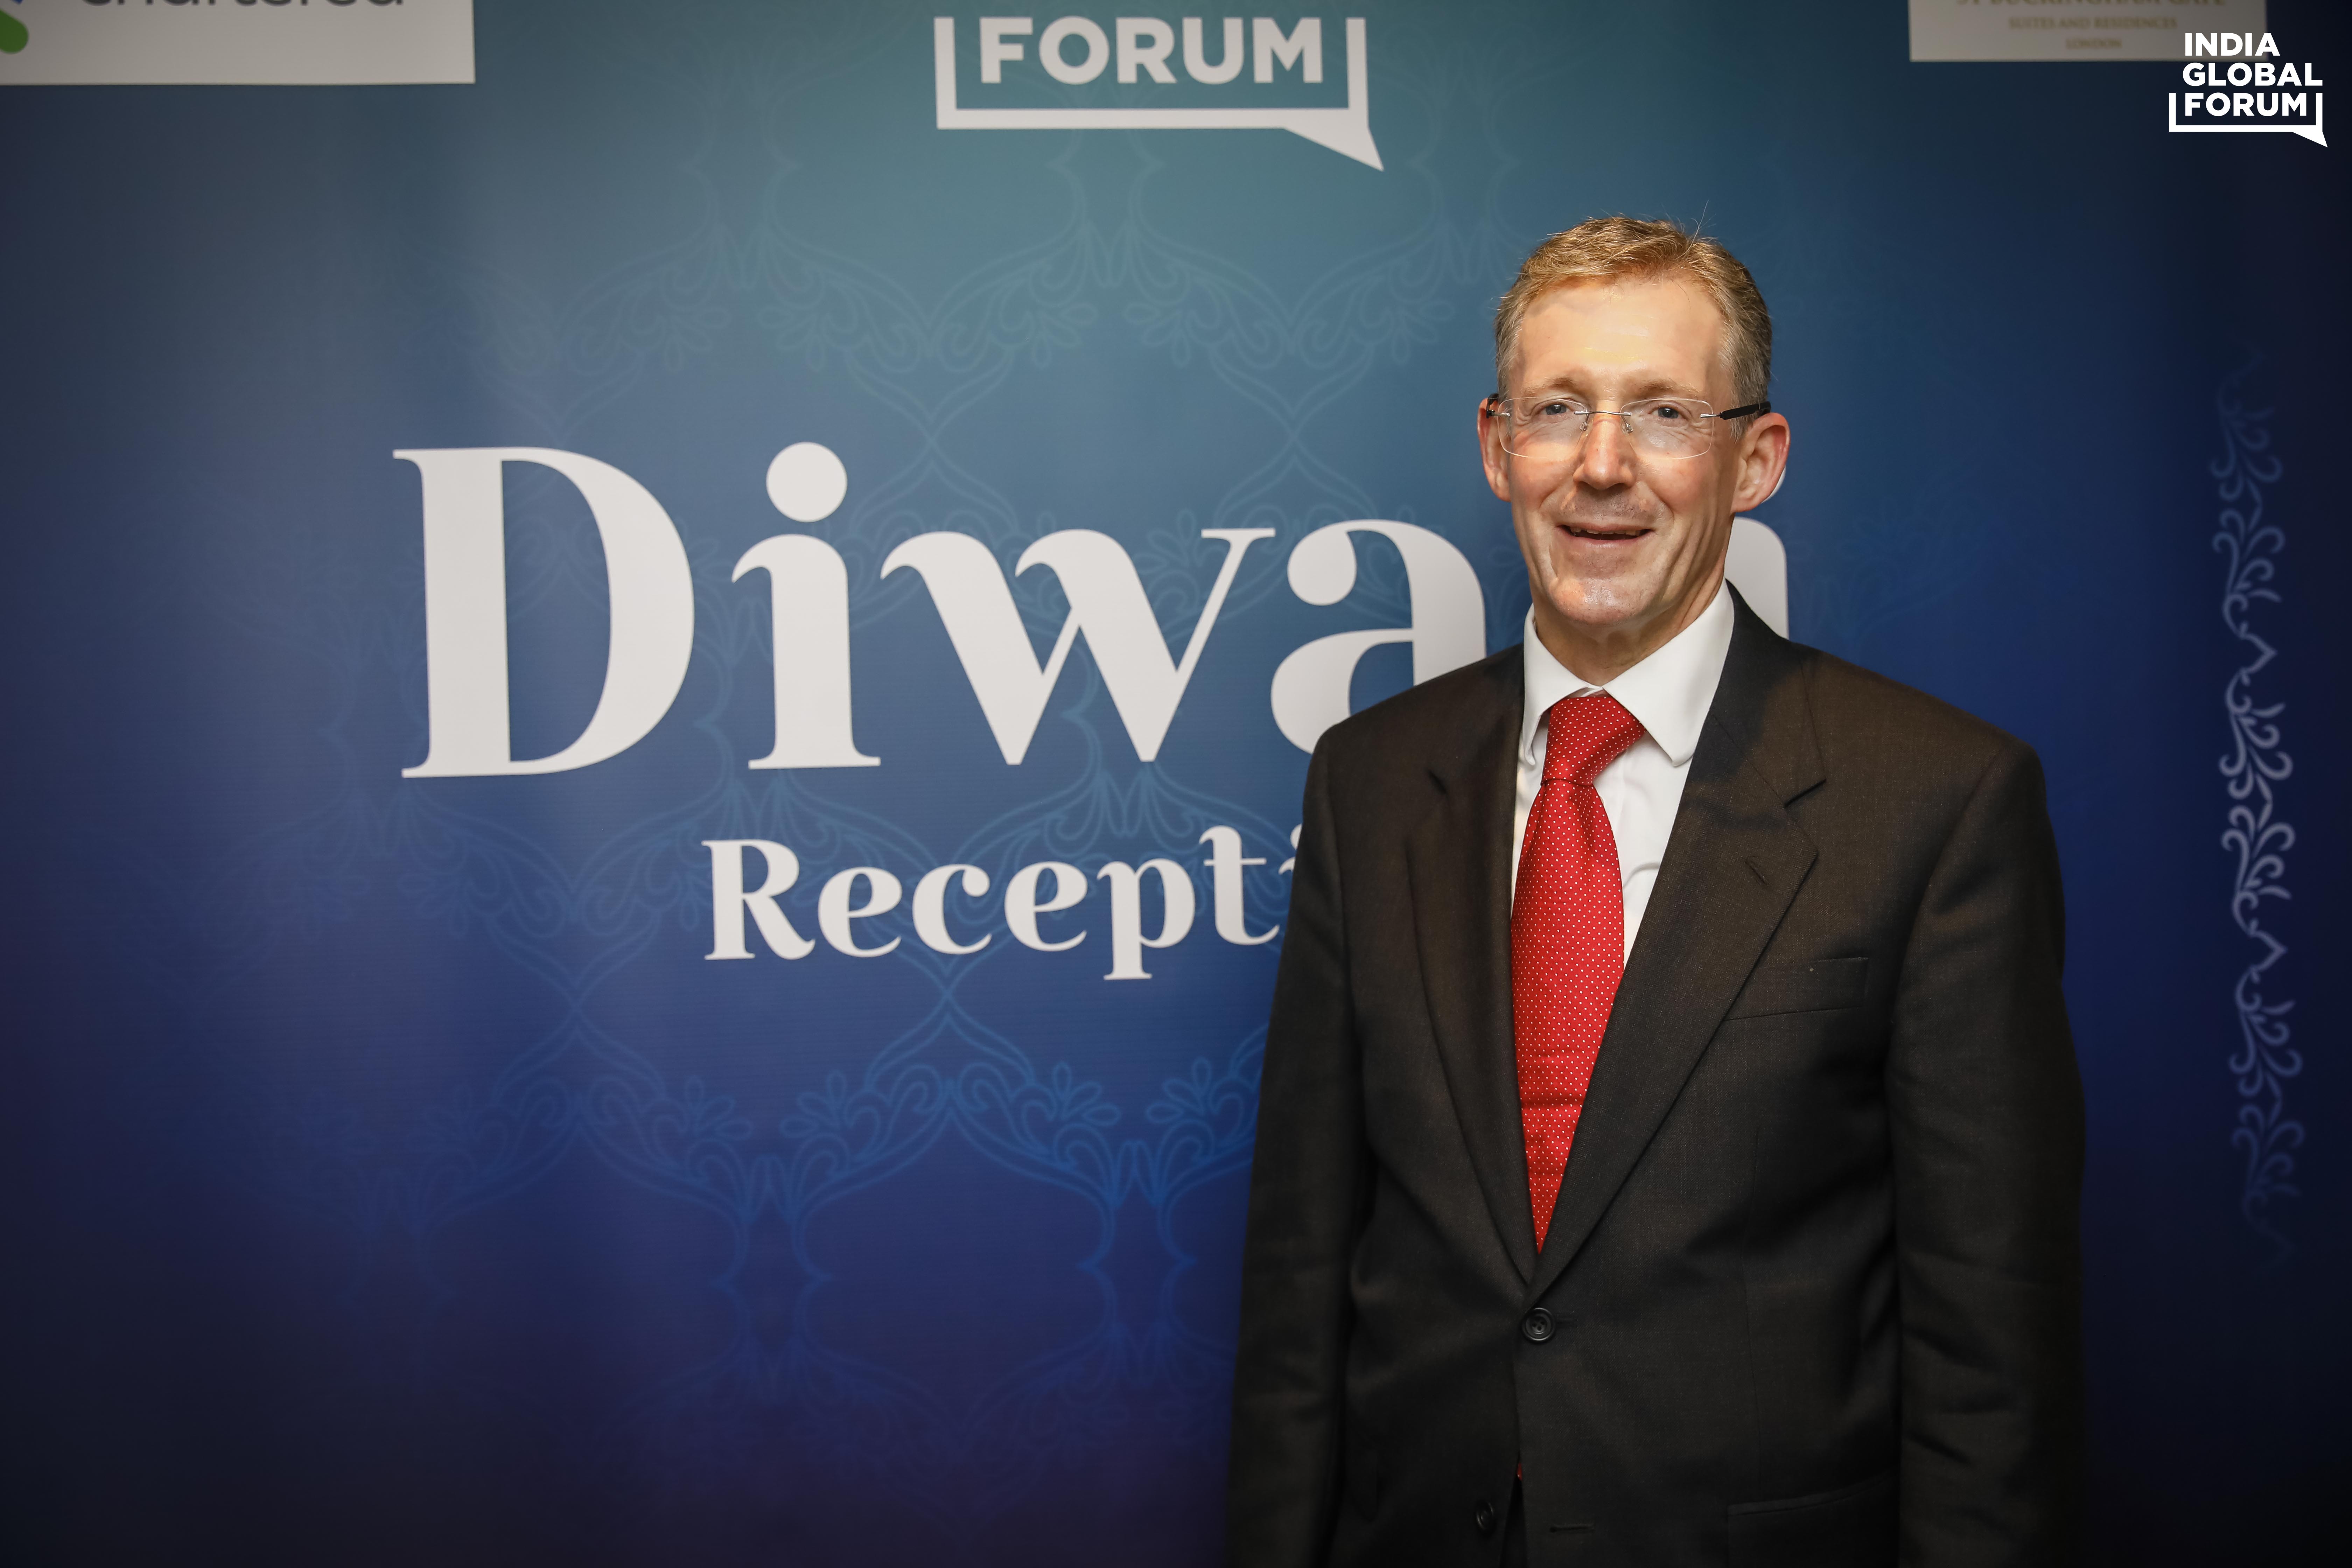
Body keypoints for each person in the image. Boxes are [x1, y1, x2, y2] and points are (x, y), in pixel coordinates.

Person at [1225, 217, 2083, 1567]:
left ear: (1758, 459)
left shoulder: (1938, 800)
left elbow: (1993, 1338)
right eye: (1559, 409)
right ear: (1498, 446)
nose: (1602, 465)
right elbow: (1299, 1277)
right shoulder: (1369, 781)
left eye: (1666, 413)